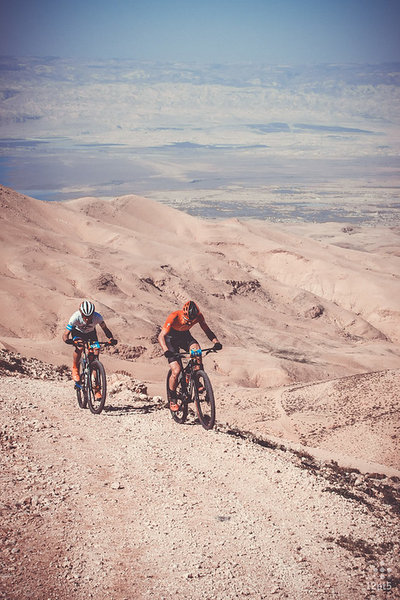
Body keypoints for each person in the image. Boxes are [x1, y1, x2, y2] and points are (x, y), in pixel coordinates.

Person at [158, 300, 222, 411]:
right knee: (176, 370)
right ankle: (172, 399)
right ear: (184, 313)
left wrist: (216, 342)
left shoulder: (198, 316)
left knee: (197, 351)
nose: (189, 322)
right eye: (187, 319)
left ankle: (196, 379)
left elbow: (207, 330)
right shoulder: (174, 316)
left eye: (191, 320)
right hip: (170, 340)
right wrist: (166, 350)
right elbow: (161, 336)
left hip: (185, 337)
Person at [62, 300, 117, 388]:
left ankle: (97, 387)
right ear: (81, 313)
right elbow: (65, 334)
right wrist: (68, 340)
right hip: (77, 333)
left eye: (90, 316)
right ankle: (75, 367)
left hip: (91, 334)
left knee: (95, 352)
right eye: (85, 316)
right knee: (79, 348)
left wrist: (111, 338)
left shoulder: (98, 317)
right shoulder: (75, 317)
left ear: (93, 314)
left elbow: (105, 329)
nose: (87, 319)